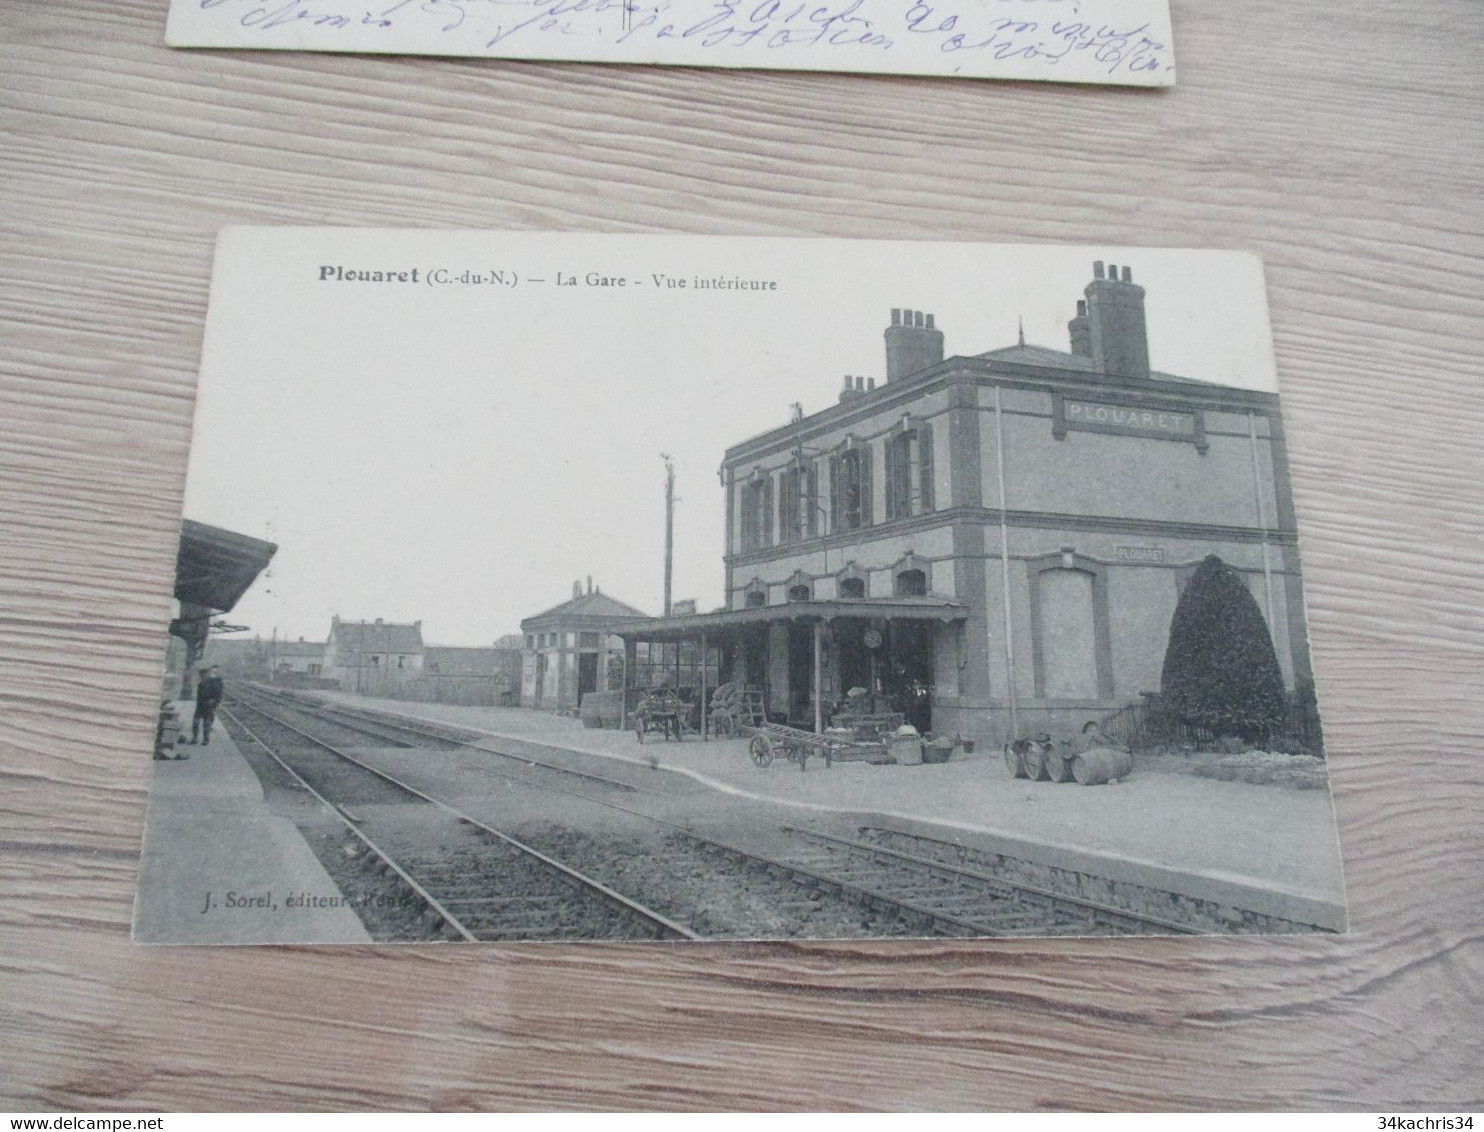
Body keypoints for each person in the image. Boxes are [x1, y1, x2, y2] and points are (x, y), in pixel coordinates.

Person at [187, 666, 224, 745]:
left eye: (203, 674)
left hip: (208, 706)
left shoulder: (213, 683)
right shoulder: (201, 683)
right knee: (196, 722)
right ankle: (195, 738)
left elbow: (218, 694)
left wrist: (214, 703)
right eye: (201, 675)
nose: (202, 676)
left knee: (206, 723)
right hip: (200, 705)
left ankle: (206, 740)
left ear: (207, 674)